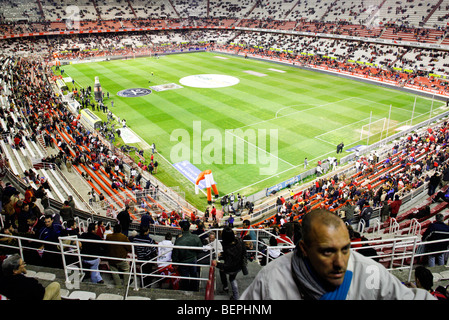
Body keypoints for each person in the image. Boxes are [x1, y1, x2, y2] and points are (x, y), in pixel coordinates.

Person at [240, 209, 436, 300]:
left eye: (345, 249)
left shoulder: (368, 272)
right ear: (304, 250)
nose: (340, 263)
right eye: (327, 251)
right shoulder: (271, 280)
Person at [214, 227, 247, 300]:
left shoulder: (227, 247)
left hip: (232, 267)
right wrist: (222, 254)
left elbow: (228, 265)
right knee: (232, 278)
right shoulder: (239, 241)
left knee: (226, 274)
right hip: (239, 265)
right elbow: (243, 252)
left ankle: (229, 290)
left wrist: (217, 264)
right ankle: (235, 295)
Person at [172, 220, 203, 291]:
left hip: (183, 262)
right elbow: (200, 248)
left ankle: (186, 291)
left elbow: (175, 255)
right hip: (193, 260)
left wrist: (175, 262)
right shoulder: (195, 237)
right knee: (194, 276)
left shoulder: (178, 240)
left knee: (185, 278)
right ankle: (194, 290)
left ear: (182, 228)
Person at [106, 224, 132, 288]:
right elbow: (129, 248)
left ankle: (118, 285)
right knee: (127, 268)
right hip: (120, 259)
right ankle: (126, 284)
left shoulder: (108, 236)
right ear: (120, 230)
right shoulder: (123, 237)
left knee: (114, 272)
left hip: (111, 258)